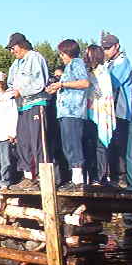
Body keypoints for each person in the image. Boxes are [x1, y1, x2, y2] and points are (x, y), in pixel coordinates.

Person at [5, 33, 50, 190]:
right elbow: (11, 83)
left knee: (38, 142)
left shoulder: (35, 57)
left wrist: (21, 91)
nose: (12, 51)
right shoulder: (15, 64)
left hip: (36, 104)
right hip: (22, 107)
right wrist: (9, 93)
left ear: (21, 44)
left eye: (13, 47)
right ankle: (28, 177)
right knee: (23, 143)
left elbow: (40, 82)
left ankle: (42, 178)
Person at [46, 40, 90, 190]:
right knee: (67, 146)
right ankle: (75, 178)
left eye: (62, 53)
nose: (61, 56)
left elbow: (84, 83)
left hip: (74, 112)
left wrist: (62, 84)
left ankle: (79, 181)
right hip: (65, 113)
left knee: (73, 145)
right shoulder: (69, 67)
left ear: (68, 52)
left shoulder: (77, 63)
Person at [103, 33, 132, 189]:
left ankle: (121, 178)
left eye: (108, 48)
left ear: (117, 46)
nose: (106, 51)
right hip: (109, 111)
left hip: (120, 111)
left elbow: (111, 82)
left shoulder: (122, 62)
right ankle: (113, 177)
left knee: (119, 146)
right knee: (111, 145)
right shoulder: (109, 63)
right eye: (104, 49)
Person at [83, 44, 116, 186]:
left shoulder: (103, 72)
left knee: (100, 144)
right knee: (89, 145)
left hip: (100, 112)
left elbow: (103, 93)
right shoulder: (88, 71)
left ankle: (100, 177)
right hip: (88, 112)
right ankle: (91, 176)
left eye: (88, 54)